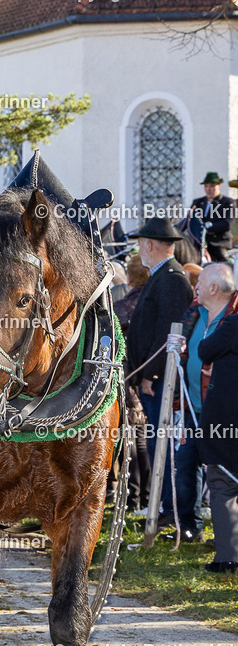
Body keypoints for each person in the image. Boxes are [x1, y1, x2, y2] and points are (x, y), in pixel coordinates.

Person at [127, 216, 194, 528]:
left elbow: (168, 335)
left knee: (165, 448)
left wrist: (150, 375)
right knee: (157, 446)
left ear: (150, 244)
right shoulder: (161, 276)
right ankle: (164, 507)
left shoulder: (172, 278)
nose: (139, 248)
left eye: (141, 242)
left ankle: (171, 511)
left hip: (161, 381)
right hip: (152, 379)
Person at [174, 265, 238, 541]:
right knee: (186, 464)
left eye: (200, 282)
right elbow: (189, 350)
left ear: (214, 288)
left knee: (223, 474)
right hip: (193, 404)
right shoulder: (193, 312)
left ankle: (227, 540)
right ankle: (189, 527)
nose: (195, 286)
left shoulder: (234, 315)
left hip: (225, 412)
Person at [197, 313, 238, 572]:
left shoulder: (234, 324)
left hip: (229, 419)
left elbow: (205, 349)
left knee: (222, 483)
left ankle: (228, 558)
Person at [113, 254, 151, 513]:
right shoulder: (147, 301)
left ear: (129, 277)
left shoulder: (123, 307)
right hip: (144, 379)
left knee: (132, 443)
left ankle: (132, 498)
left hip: (128, 380)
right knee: (142, 440)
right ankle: (145, 497)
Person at [185, 173, 235, 263]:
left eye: (212, 186)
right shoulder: (198, 202)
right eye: (206, 186)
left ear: (219, 186)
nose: (209, 189)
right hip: (199, 243)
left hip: (218, 243)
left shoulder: (227, 202)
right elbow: (190, 220)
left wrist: (207, 227)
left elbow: (227, 224)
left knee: (224, 261)